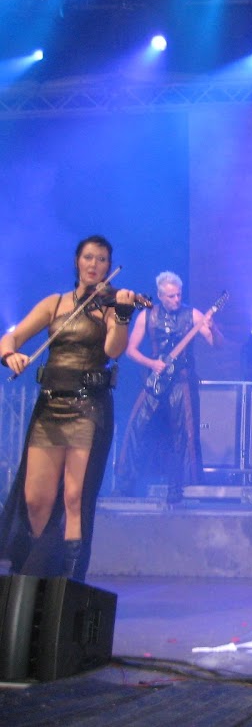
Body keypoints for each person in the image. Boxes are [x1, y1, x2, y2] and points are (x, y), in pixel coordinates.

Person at [0, 235, 140, 580]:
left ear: (109, 266)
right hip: (50, 407)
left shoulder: (109, 307)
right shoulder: (55, 303)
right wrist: (9, 355)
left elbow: (114, 350)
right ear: (77, 261)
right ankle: (38, 572)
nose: (95, 264)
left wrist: (123, 315)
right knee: (36, 500)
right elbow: (11, 337)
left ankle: (70, 584)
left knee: (75, 497)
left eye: (102, 259)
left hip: (88, 408)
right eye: (89, 257)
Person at [115, 271, 217, 504]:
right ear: (160, 296)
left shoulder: (192, 315)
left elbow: (215, 344)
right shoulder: (146, 316)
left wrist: (213, 328)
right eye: (171, 296)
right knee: (136, 426)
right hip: (155, 379)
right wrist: (152, 364)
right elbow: (130, 351)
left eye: (179, 295)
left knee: (183, 434)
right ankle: (125, 484)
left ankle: (179, 486)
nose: (176, 299)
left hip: (182, 381)